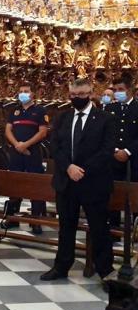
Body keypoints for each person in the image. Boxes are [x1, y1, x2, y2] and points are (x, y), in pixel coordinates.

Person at [41, 78, 115, 282]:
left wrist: (82, 170)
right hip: (66, 181)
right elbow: (55, 146)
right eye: (73, 95)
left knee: (99, 227)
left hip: (94, 182)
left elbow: (106, 150)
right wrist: (68, 167)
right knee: (66, 226)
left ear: (91, 93)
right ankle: (62, 266)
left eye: (81, 95)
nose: (77, 99)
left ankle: (105, 270)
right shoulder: (63, 118)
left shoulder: (104, 118)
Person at [2, 83, 48, 234]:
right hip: (16, 152)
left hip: (33, 152)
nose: (23, 94)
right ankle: (12, 218)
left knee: (36, 185)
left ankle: (35, 220)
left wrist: (26, 145)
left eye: (26, 91)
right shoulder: (14, 111)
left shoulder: (40, 111)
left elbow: (42, 132)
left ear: (32, 94)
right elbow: (8, 130)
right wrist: (17, 145)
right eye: (21, 91)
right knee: (14, 183)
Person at [107, 76, 138, 228]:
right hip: (113, 160)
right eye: (115, 90)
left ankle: (135, 230)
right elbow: (106, 133)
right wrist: (114, 150)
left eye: (121, 90)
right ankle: (113, 230)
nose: (117, 93)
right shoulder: (110, 109)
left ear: (130, 90)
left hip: (134, 160)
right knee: (114, 194)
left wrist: (127, 151)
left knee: (135, 195)